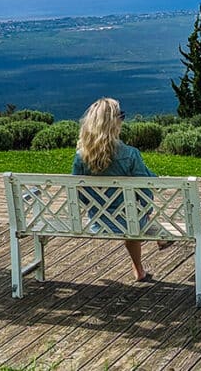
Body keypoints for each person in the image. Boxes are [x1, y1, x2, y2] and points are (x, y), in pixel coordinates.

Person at [71, 97, 171, 283]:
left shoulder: (80, 158)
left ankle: (139, 269)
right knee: (134, 214)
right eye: (121, 116)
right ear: (113, 124)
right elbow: (147, 188)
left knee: (130, 214)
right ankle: (159, 236)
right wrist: (147, 209)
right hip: (130, 220)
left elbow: (80, 194)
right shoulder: (130, 155)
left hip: (98, 222)